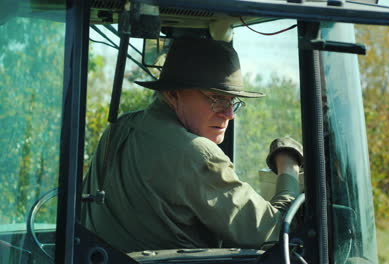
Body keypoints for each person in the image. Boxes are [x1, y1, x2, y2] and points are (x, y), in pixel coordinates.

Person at [81, 38, 301, 253]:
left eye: (232, 101)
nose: (229, 114)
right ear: (173, 93)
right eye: (216, 98)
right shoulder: (196, 153)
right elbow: (276, 232)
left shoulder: (119, 127)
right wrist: (288, 165)